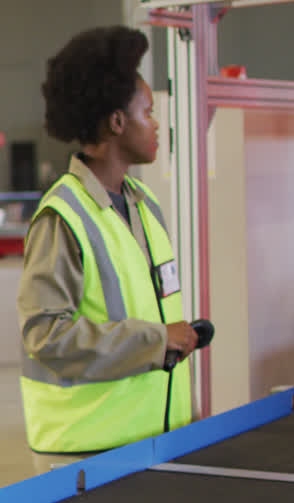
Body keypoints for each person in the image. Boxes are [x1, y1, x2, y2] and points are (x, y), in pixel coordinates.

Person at [18, 25, 196, 470]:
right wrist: (158, 340)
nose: (156, 124)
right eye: (147, 112)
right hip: (87, 452)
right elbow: (47, 336)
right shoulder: (63, 217)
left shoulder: (143, 204)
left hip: (154, 438)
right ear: (117, 122)